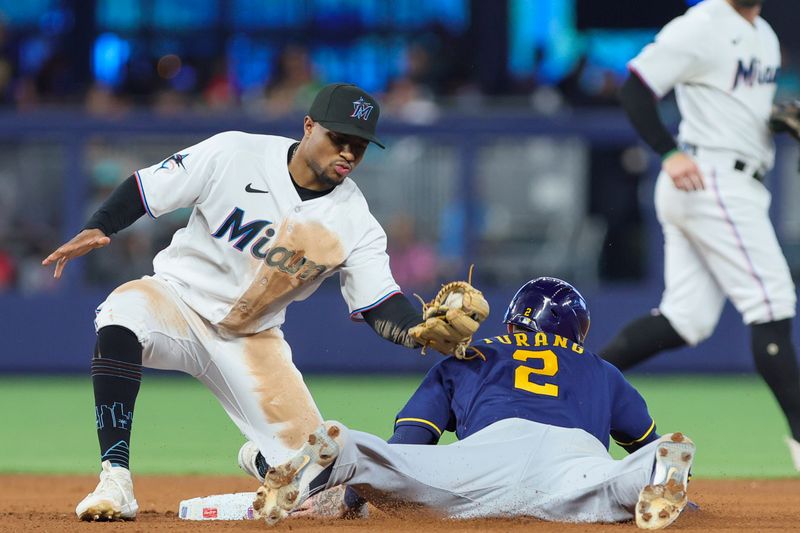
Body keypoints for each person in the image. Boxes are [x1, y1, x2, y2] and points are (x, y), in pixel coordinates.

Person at [42, 83, 487, 521]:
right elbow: (147, 187)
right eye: (339, 138)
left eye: (360, 145)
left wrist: (414, 331)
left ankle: (262, 460)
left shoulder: (356, 222)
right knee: (121, 314)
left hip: (253, 342)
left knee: (325, 492)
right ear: (308, 126)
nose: (349, 153)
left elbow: (379, 302)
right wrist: (100, 224)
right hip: (177, 300)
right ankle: (115, 479)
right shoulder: (235, 153)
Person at [249, 277, 697, 530]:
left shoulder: (469, 355)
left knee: (395, 467)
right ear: (574, 331)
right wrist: (666, 475)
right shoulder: (603, 370)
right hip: (575, 457)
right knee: (609, 489)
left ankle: (349, 452)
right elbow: (643, 439)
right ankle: (651, 472)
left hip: (488, 453)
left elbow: (412, 439)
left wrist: (353, 495)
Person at [599, 0, 800, 471]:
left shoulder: (765, 34)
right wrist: (668, 152)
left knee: (685, 318)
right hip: (709, 176)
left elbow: (732, 106)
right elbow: (635, 89)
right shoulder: (702, 25)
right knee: (771, 301)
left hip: (732, 177)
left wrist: (775, 119)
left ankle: (577, 380)